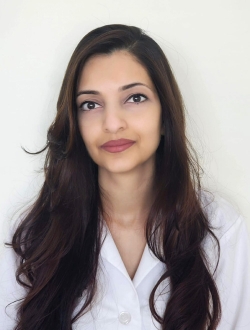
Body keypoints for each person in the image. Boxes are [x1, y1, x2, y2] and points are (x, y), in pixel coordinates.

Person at [0, 24, 250, 330]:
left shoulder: (222, 232)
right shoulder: (33, 239)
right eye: (90, 104)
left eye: (135, 98)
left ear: (165, 114)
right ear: (75, 123)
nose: (113, 123)